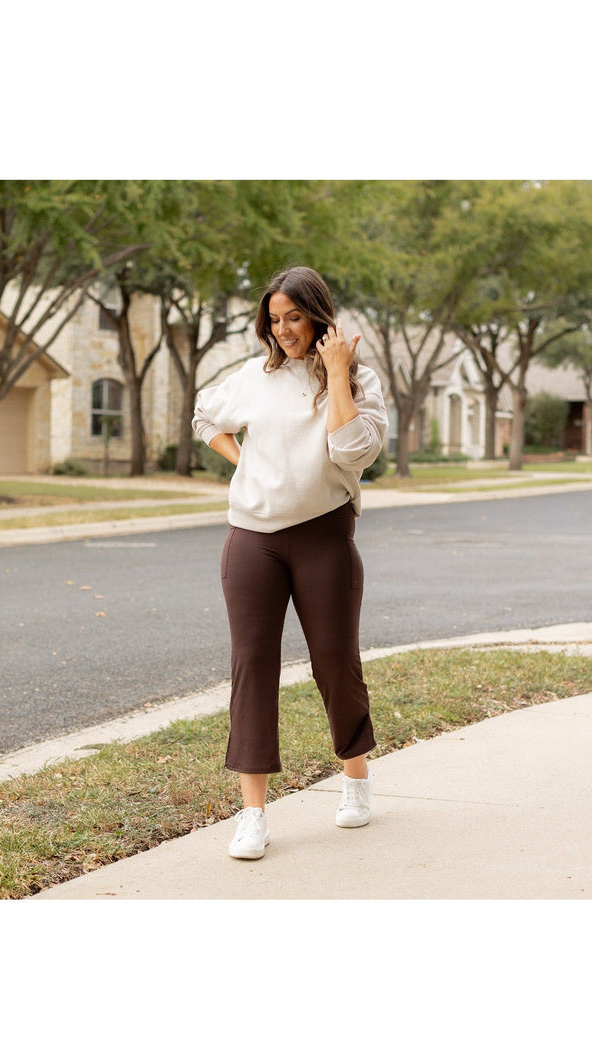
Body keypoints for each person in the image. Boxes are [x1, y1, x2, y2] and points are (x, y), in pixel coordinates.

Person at [192, 266, 388, 860]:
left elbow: (353, 453)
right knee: (252, 664)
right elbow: (206, 416)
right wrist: (242, 459)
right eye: (274, 321)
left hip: (324, 534)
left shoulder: (357, 378)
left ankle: (355, 778)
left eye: (294, 318)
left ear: (317, 315)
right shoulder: (254, 376)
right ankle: (253, 814)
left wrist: (334, 375)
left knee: (334, 661)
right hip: (252, 537)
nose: (283, 332)